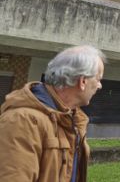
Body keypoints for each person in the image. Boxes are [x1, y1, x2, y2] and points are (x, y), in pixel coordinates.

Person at [0, 45, 106, 182]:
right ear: (83, 81)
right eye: (98, 79)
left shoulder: (72, 119)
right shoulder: (22, 121)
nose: (99, 85)